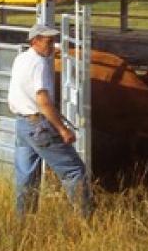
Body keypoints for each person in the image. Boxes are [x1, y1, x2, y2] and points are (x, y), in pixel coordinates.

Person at [7, 23, 93, 219]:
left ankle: (24, 220)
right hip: (39, 125)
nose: (53, 46)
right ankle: (87, 221)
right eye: (48, 41)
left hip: (22, 124)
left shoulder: (21, 58)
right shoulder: (39, 64)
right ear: (35, 41)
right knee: (74, 171)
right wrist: (62, 129)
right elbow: (43, 101)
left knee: (26, 176)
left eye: (54, 41)